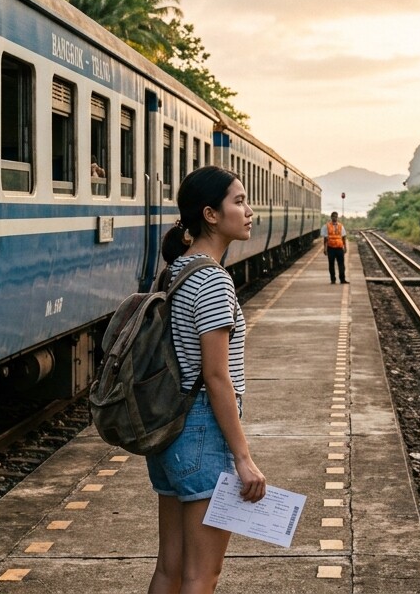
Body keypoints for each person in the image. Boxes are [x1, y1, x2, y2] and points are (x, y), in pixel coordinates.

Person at [150, 166, 265, 594]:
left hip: (170, 429)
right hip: (202, 430)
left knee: (170, 569)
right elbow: (217, 378)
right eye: (238, 201)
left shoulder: (175, 271)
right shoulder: (214, 281)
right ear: (211, 215)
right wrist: (243, 457)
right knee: (202, 575)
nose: (249, 211)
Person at [322, 211, 348, 284]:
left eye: (336, 217)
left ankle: (342, 279)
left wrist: (345, 247)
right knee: (331, 264)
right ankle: (333, 280)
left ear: (337, 217)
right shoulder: (326, 226)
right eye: (333, 216)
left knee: (341, 265)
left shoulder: (340, 226)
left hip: (339, 248)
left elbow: (343, 237)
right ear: (331, 217)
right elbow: (325, 238)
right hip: (331, 248)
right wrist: (325, 248)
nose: (335, 218)